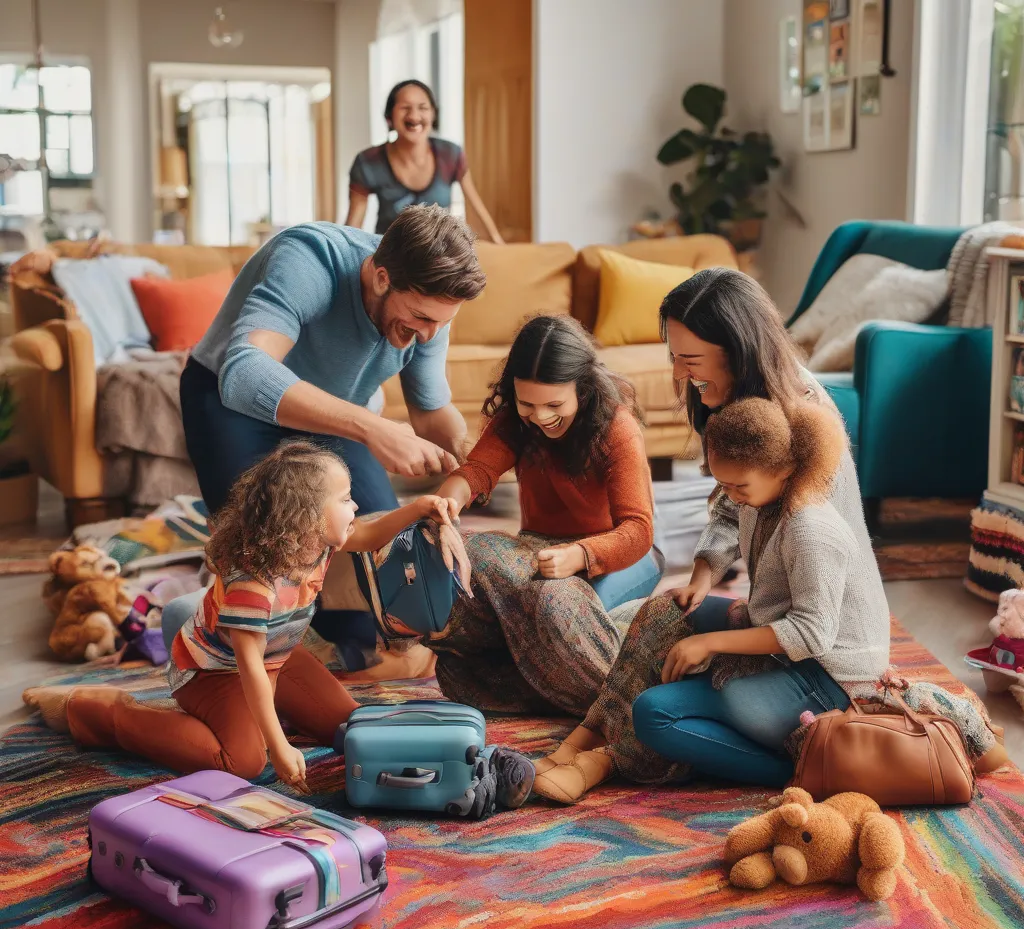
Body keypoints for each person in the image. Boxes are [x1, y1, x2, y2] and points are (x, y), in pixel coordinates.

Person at [21, 441, 542, 812]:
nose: (354, 505)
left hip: (279, 659)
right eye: (343, 499)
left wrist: (418, 507)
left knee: (350, 726)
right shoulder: (257, 582)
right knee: (241, 761)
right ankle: (104, 713)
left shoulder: (316, 541)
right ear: (306, 516)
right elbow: (246, 668)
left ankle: (269, 728)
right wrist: (274, 743)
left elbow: (364, 533)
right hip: (213, 673)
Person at [528, 399, 1006, 804]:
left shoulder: (810, 528)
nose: (732, 498)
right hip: (784, 641)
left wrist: (712, 644)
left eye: (740, 488)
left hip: (830, 675)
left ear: (784, 469)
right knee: (666, 613)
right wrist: (703, 577)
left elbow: (813, 633)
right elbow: (728, 522)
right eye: (725, 486)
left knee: (657, 712)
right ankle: (592, 733)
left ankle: (797, 767)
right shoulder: (761, 497)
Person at [177, 203, 485, 667]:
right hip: (230, 405)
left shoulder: (430, 313)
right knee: (268, 565)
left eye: (442, 323)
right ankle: (208, 604)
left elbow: (430, 411)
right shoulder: (311, 258)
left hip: (338, 416)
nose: (429, 336)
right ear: (382, 277)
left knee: (372, 602)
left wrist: (477, 458)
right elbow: (245, 373)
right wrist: (373, 428)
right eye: (421, 318)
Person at [426, 314, 661, 717]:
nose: (541, 416)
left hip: (616, 558)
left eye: (555, 404)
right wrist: (444, 506)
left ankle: (626, 709)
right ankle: (555, 679)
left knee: (550, 605)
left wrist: (578, 556)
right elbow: (478, 471)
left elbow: (637, 531)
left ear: (583, 389)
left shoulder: (616, 428)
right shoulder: (514, 423)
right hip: (539, 553)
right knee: (467, 565)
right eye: (527, 404)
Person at [345, 79, 503, 243]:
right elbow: (353, 227)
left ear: (433, 114)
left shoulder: (450, 154)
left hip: (441, 257)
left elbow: (475, 205)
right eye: (405, 108)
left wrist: (499, 244)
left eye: (423, 108)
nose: (414, 116)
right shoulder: (368, 161)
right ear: (389, 116)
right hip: (391, 258)